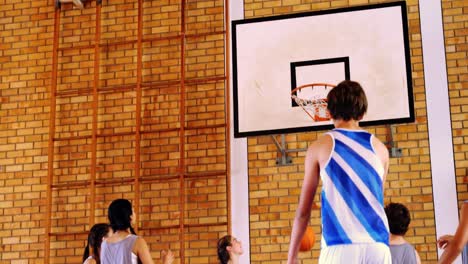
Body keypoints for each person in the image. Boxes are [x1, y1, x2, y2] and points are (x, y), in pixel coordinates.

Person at [287, 80, 391, 264]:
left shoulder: (320, 147)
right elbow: (377, 200)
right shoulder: (381, 149)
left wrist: (292, 257)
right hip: (378, 245)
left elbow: (303, 212)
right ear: (363, 112)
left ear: (328, 112)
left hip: (340, 244)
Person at [100, 199, 174, 264]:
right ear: (130, 216)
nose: (135, 214)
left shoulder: (104, 244)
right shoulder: (137, 241)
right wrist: (166, 262)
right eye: (133, 211)